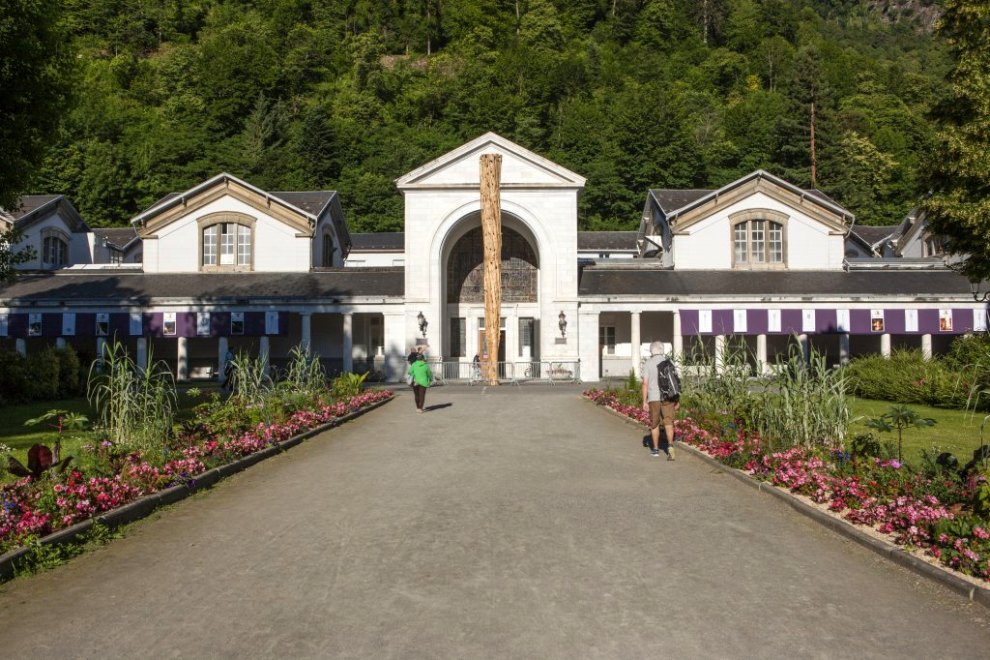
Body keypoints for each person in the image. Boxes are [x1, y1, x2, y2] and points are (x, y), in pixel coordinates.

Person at [641, 341, 680, 460]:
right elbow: (676, 382)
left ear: (651, 351)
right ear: (662, 350)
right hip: (668, 397)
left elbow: (645, 384)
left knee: (655, 424)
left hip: (654, 398)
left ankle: (656, 450)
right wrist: (677, 400)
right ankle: (670, 447)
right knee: (668, 423)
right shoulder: (669, 362)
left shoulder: (648, 363)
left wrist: (644, 401)